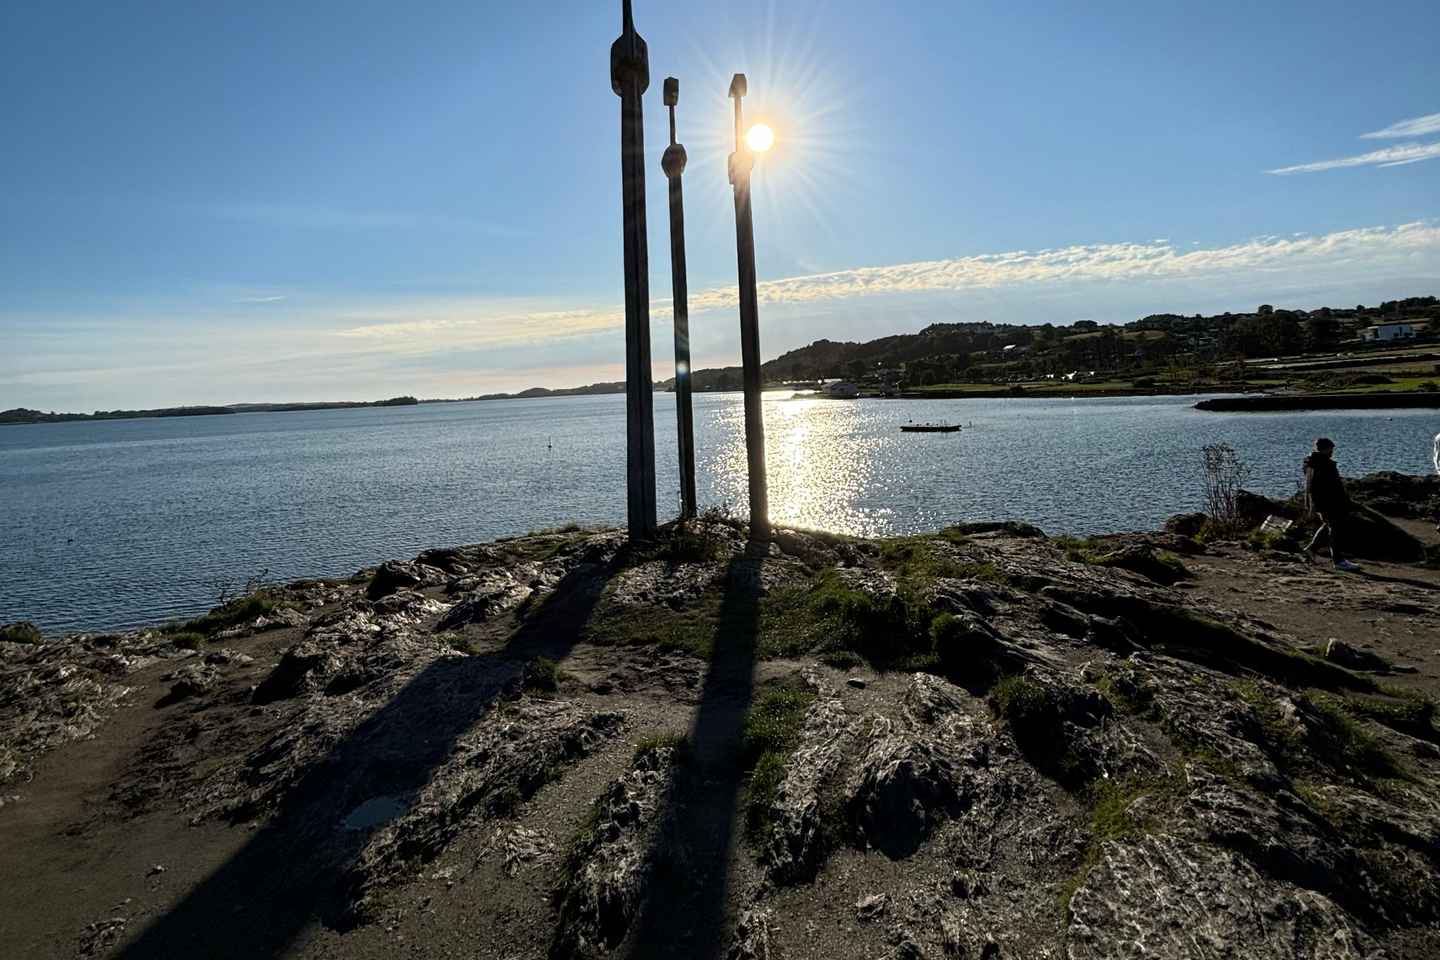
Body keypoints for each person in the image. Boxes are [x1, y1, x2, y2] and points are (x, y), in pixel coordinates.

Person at [1304, 438, 1360, 571]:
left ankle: (1311, 549)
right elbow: (1317, 486)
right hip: (1329, 502)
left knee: (1330, 525)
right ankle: (1338, 560)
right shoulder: (1323, 465)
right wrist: (1314, 505)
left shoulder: (1312, 463)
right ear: (1325, 449)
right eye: (1331, 449)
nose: (1332, 452)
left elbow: (1311, 486)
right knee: (1336, 529)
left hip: (1326, 501)